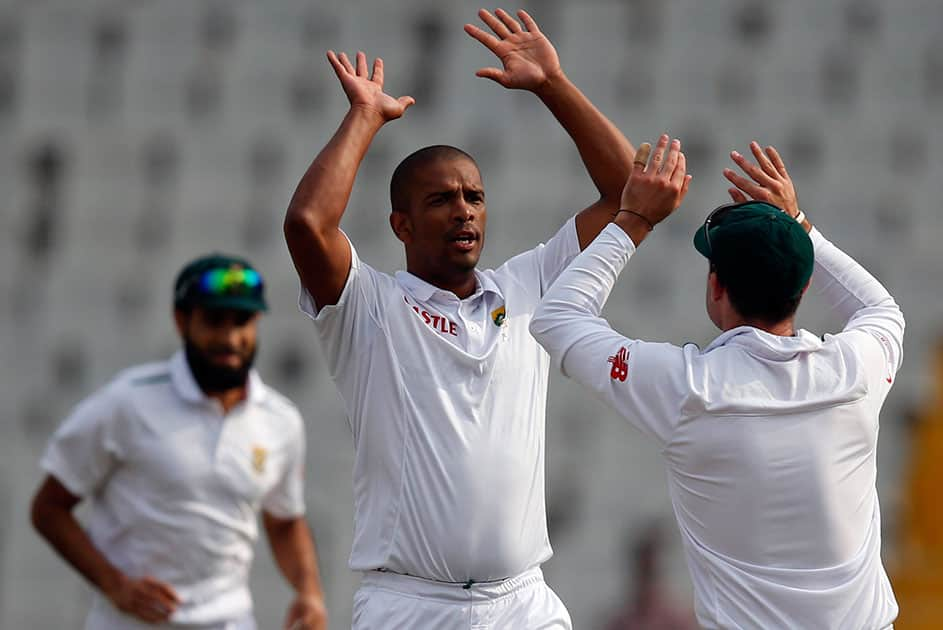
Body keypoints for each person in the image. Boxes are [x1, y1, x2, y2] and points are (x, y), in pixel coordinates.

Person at [283, 8, 648, 628]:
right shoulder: (369, 307)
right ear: (400, 224)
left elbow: (626, 194)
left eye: (474, 197)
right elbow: (308, 225)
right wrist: (365, 117)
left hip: (524, 601)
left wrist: (552, 85)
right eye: (440, 199)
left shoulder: (529, 285)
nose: (464, 211)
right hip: (410, 605)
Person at [530, 141, 902, 629]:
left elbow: (556, 317)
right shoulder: (858, 369)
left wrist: (634, 221)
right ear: (804, 285)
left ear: (715, 287)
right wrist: (800, 224)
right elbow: (881, 311)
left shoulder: (690, 390)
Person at [30, 255, 327, 630]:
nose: (231, 338)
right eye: (214, 320)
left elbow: (285, 521)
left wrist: (309, 593)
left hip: (231, 621)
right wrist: (115, 585)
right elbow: (48, 509)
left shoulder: (280, 420)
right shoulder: (126, 402)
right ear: (181, 320)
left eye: (242, 321)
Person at [604, 522, 696, 630]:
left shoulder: (678, 621)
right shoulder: (619, 623)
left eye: (650, 571)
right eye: (643, 571)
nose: (646, 581)